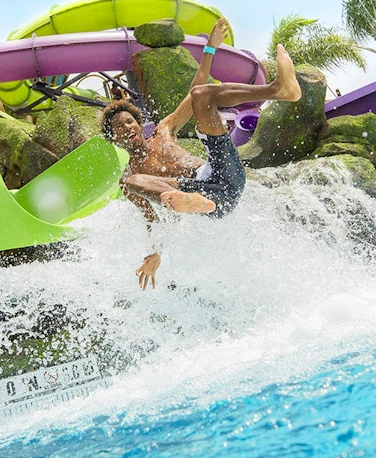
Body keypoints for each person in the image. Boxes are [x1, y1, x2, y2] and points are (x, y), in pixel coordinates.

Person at [100, 17, 301, 289]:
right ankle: (196, 201)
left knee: (201, 95)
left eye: (128, 122)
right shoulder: (136, 174)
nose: (126, 128)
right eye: (118, 128)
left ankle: (279, 89)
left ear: (137, 122)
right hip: (202, 199)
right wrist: (156, 253)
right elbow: (151, 219)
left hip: (222, 175)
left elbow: (194, 90)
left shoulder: (163, 131)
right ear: (114, 139)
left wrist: (210, 49)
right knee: (128, 183)